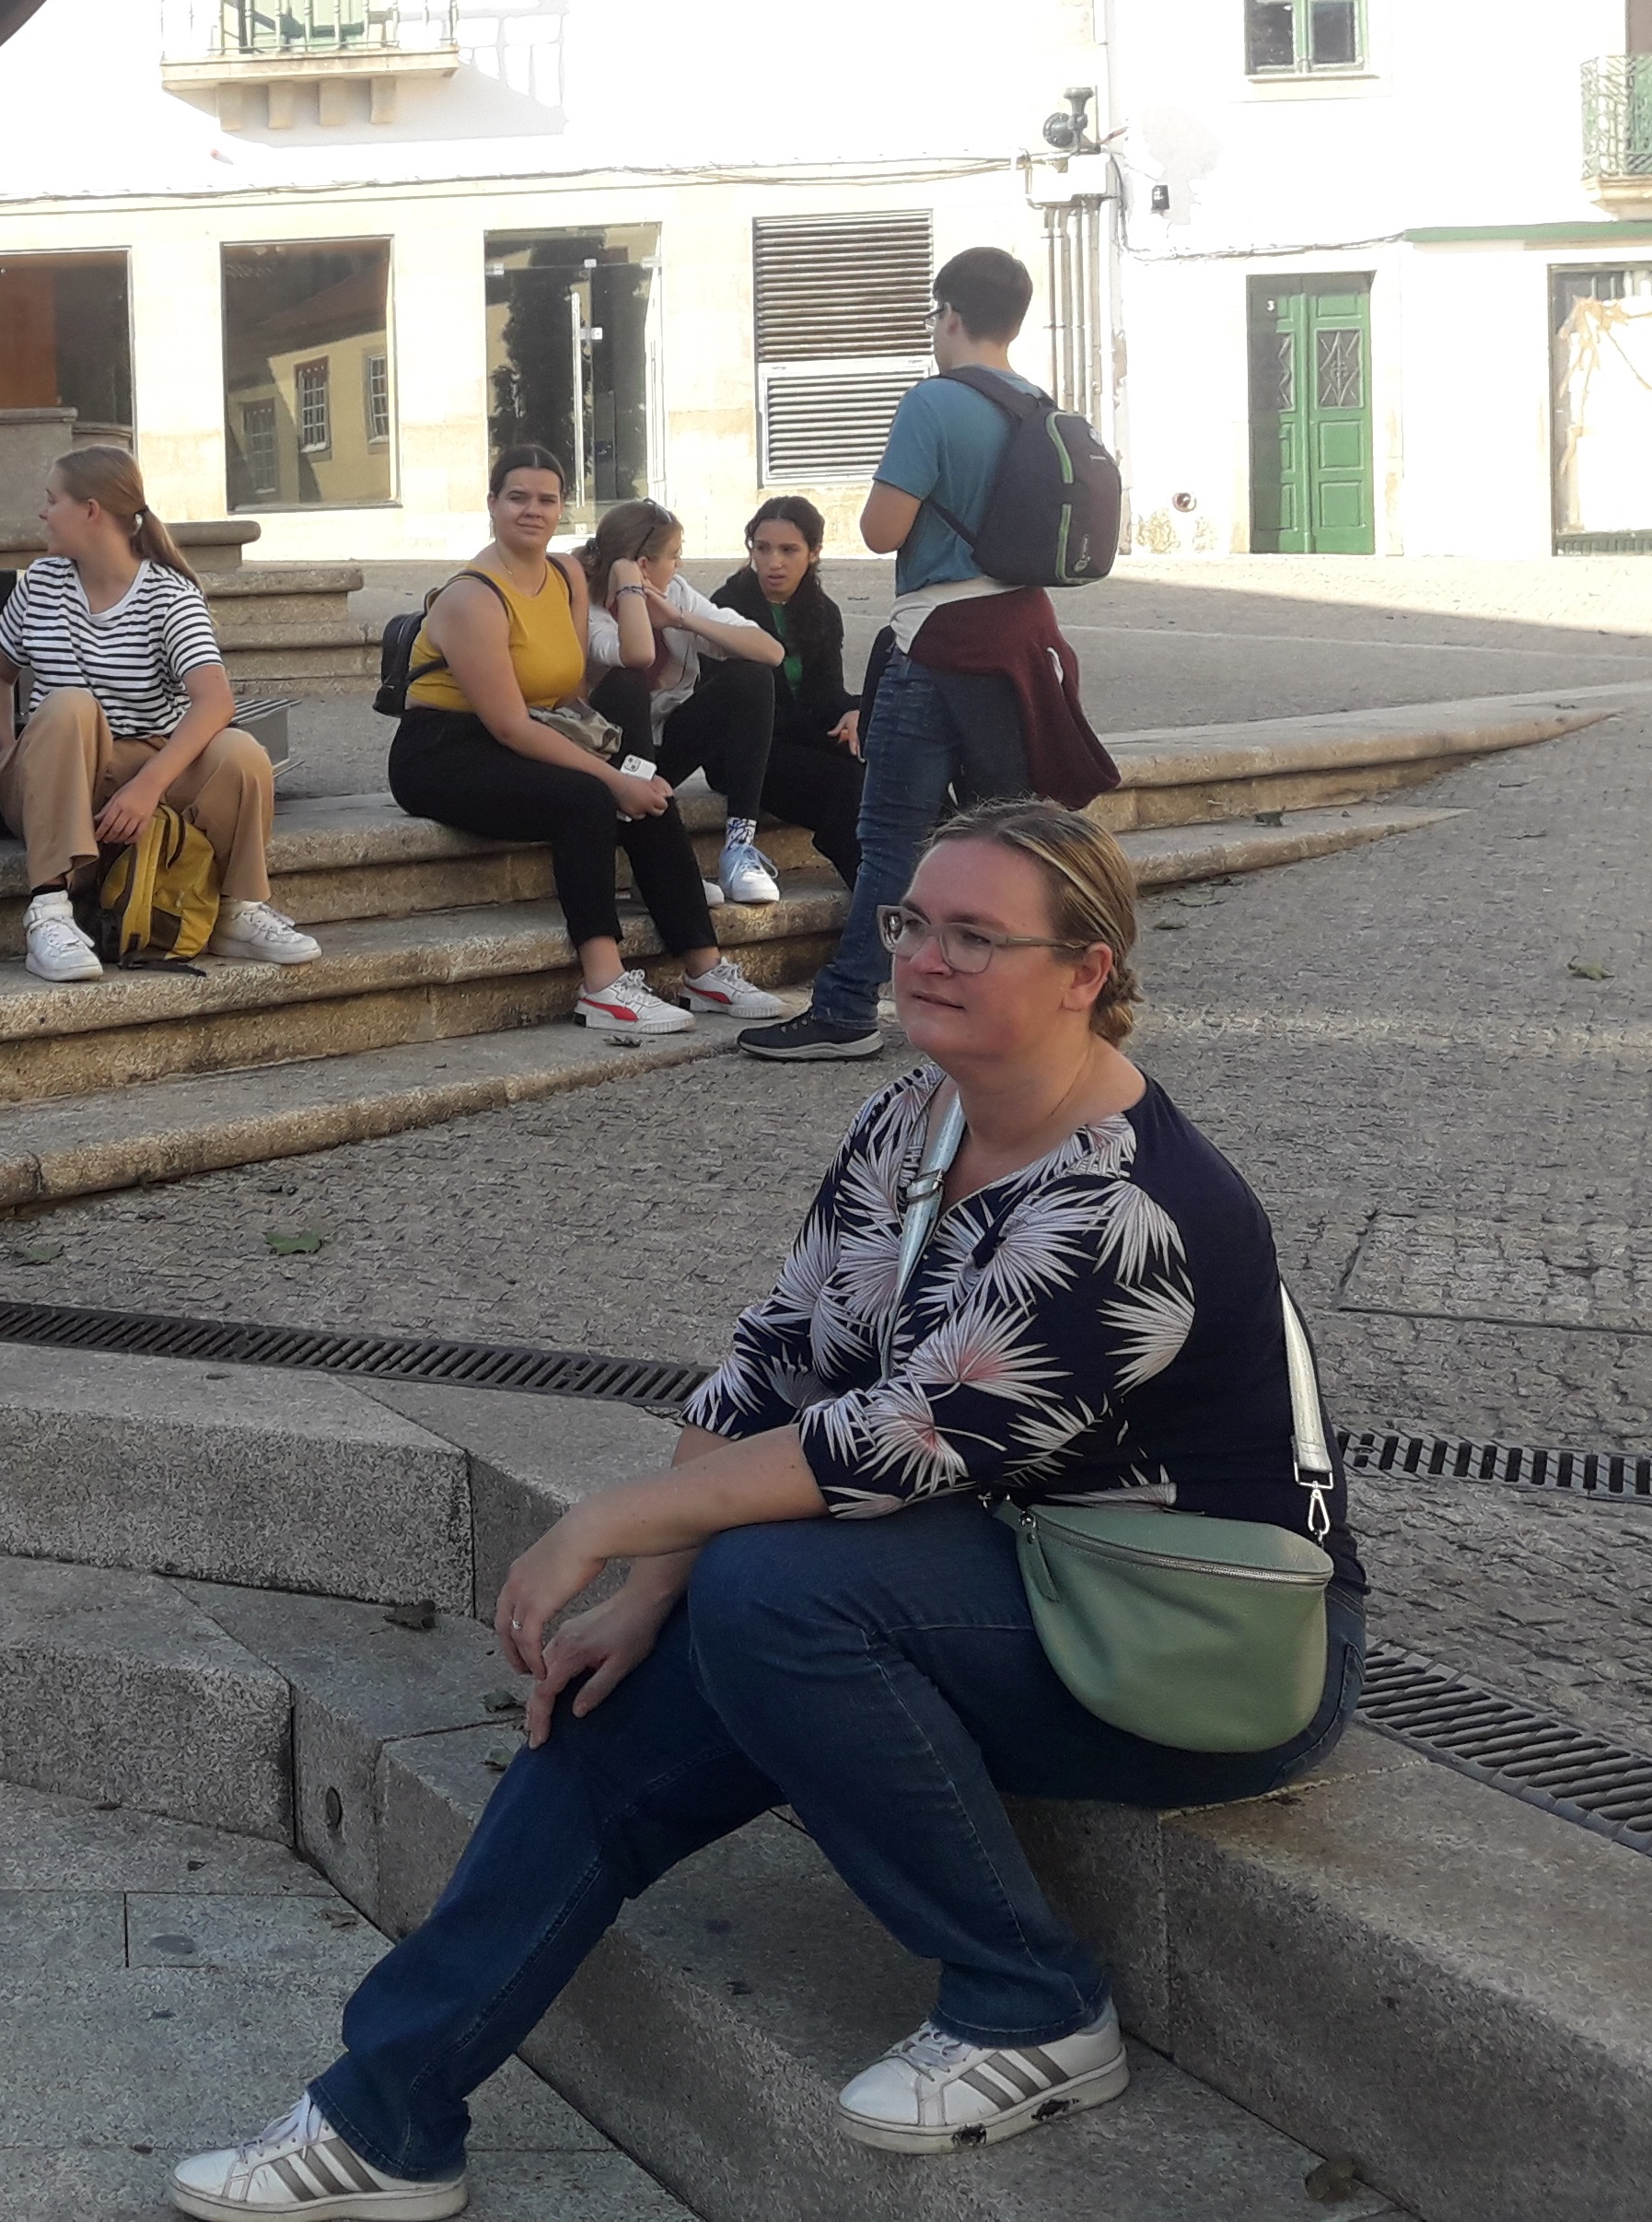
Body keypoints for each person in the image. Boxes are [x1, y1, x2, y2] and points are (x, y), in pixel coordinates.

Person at [174, 800, 1367, 2215]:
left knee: (772, 1595)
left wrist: (611, 1525)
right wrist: (647, 1592)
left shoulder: (1130, 1208)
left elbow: (888, 1443)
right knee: (624, 1689)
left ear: (1084, 971)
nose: (923, 955)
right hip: (1002, 1558)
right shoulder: (913, 1117)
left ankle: (1029, 1998)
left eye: (975, 935)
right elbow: (780, 1362)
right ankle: (384, 2116)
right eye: (911, 920)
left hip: (1197, 1636)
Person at [746, 248, 1064, 1062]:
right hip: (1021, 637)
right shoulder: (1038, 404)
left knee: (892, 833)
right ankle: (1020, 1000)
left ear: (948, 313)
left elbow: (880, 530)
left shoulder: (933, 401)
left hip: (938, 639)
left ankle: (846, 1005)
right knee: (1005, 830)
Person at [386, 448, 785, 1042]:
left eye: (546, 499)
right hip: (443, 750)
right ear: (492, 503)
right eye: (517, 497)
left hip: (537, 726)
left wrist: (628, 772)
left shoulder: (566, 576)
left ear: (561, 508)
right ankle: (603, 983)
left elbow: (572, 692)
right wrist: (612, 779)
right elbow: (509, 726)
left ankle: (704, 968)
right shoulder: (471, 596)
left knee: (643, 787)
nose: (532, 509)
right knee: (592, 796)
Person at [0, 445, 319, 983]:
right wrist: (5, 750)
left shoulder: (169, 594)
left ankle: (236, 910)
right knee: (70, 705)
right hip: (56, 775)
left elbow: (216, 701)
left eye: (52, 500)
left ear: (91, 511)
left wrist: (147, 787)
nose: (43, 513)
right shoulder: (40, 584)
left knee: (240, 753)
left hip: (142, 771)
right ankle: (48, 912)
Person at [580, 498, 789, 910]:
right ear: (643, 565)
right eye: (674, 555)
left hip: (663, 750)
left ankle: (738, 848)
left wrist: (681, 618)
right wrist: (633, 598)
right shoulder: (587, 608)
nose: (680, 565)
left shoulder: (674, 592)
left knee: (750, 677)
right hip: (606, 758)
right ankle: (656, 867)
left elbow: (771, 651)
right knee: (627, 683)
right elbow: (636, 655)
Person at [715, 496, 867, 887]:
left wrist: (855, 712)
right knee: (847, 785)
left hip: (804, 738)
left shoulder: (822, 611)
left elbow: (827, 694)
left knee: (886, 763)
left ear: (814, 553)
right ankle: (872, 889)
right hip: (745, 752)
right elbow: (729, 707)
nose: (773, 562)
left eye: (788, 550)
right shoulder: (727, 606)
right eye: (762, 548)